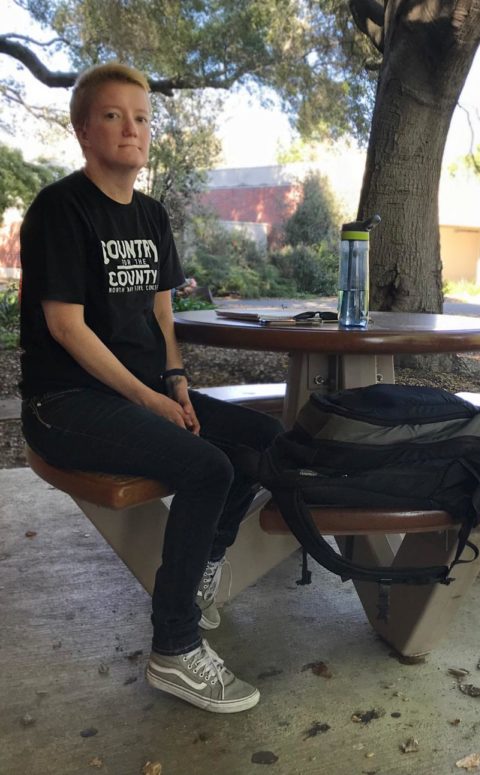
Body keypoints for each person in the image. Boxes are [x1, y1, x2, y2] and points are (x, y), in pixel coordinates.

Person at [18, 63, 283, 714]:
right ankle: (174, 649)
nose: (131, 128)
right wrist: (149, 401)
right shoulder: (60, 208)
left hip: (143, 392)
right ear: (84, 130)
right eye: (113, 115)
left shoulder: (152, 214)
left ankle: (198, 574)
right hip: (67, 404)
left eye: (141, 117)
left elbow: (162, 317)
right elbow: (65, 325)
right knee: (205, 468)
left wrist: (178, 384)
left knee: (261, 440)